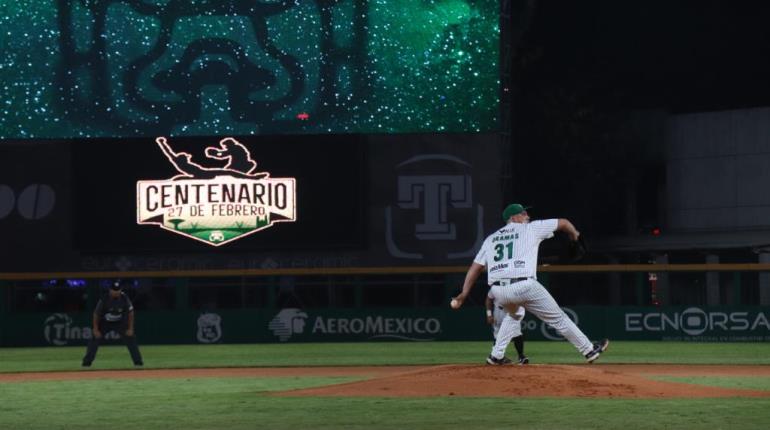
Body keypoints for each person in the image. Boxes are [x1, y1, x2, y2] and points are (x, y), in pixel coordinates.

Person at [451, 203, 608, 364]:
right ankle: (589, 349)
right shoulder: (531, 228)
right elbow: (564, 223)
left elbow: (475, 268)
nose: (527, 216)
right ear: (513, 218)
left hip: (499, 291)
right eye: (523, 213)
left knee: (515, 314)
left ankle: (496, 355)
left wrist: (464, 293)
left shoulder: (490, 239)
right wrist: (575, 235)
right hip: (524, 285)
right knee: (558, 319)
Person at [82, 280, 143, 367]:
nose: (116, 292)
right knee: (94, 338)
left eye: (118, 290)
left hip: (120, 322)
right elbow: (96, 314)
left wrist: (130, 328)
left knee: (131, 337)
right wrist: (95, 329)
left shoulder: (124, 298)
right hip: (105, 323)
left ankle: (138, 362)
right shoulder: (104, 299)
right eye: (114, 290)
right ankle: (87, 362)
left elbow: (131, 313)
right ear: (110, 290)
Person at [485, 290, 528, 364]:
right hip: (499, 311)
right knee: (498, 334)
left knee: (517, 333)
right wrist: (489, 315)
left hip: (512, 310)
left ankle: (521, 356)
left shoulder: (515, 286)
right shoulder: (496, 286)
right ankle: (495, 357)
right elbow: (488, 299)